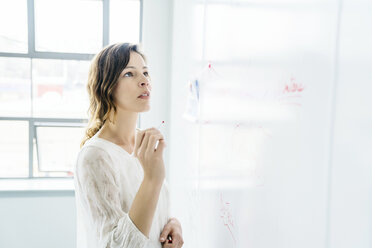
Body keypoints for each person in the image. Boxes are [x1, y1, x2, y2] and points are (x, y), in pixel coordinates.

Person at [74, 43, 184, 248]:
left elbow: (152, 213)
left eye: (145, 72)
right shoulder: (95, 156)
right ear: (106, 86)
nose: (144, 81)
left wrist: (173, 224)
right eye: (129, 74)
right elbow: (113, 244)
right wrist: (152, 179)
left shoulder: (144, 146)